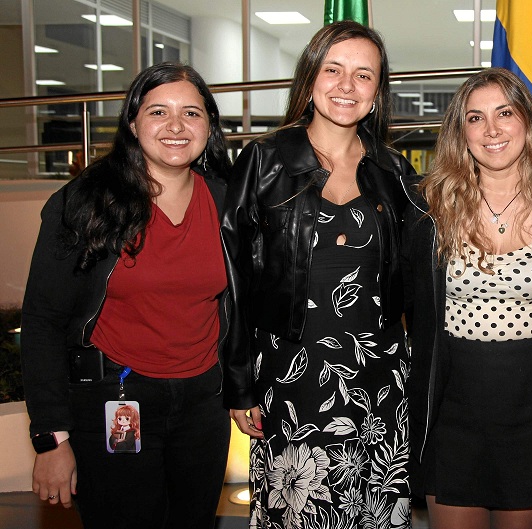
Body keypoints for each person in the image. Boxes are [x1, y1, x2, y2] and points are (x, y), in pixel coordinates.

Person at [21, 62, 233, 529]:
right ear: (133, 123)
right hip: (113, 398)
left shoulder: (228, 203)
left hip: (204, 404)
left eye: (192, 114)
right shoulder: (83, 203)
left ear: (209, 126)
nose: (176, 126)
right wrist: (50, 439)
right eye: (158, 111)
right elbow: (42, 322)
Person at [221, 20, 416, 528]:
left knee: (372, 512)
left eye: (363, 75)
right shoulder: (263, 161)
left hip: (380, 377)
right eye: (333, 69)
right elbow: (233, 277)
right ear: (310, 79)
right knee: (300, 510)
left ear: (377, 93)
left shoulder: (394, 171)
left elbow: (414, 274)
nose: (347, 86)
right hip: (293, 376)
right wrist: (239, 383)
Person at [403, 67, 532, 529]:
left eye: (504, 113)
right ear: (460, 132)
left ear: (527, 121)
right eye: (475, 118)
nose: (491, 130)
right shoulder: (427, 207)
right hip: (451, 415)